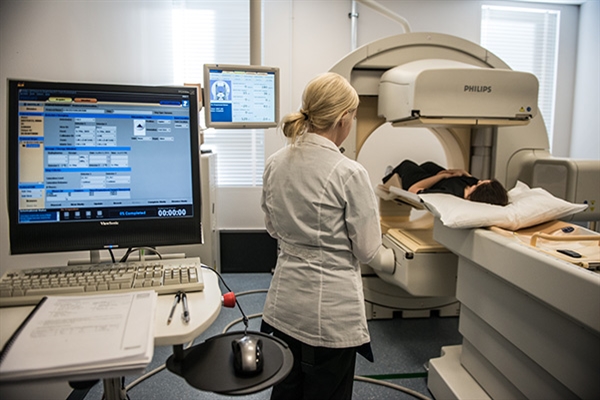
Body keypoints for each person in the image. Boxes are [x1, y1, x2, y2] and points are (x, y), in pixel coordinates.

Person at [260, 72, 394, 400]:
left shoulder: (275, 163)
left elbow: (272, 228)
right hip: (330, 315)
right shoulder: (349, 172)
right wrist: (393, 261)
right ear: (344, 118)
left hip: (283, 306)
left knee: (286, 390)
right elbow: (366, 250)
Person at [383, 160, 509, 206]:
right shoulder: (473, 185)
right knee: (429, 165)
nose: (479, 181)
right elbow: (472, 179)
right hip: (446, 179)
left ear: (479, 192)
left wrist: (442, 176)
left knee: (407, 164)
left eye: (481, 184)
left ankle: (390, 175)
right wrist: (462, 172)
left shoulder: (449, 195)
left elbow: (413, 189)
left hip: (425, 183)